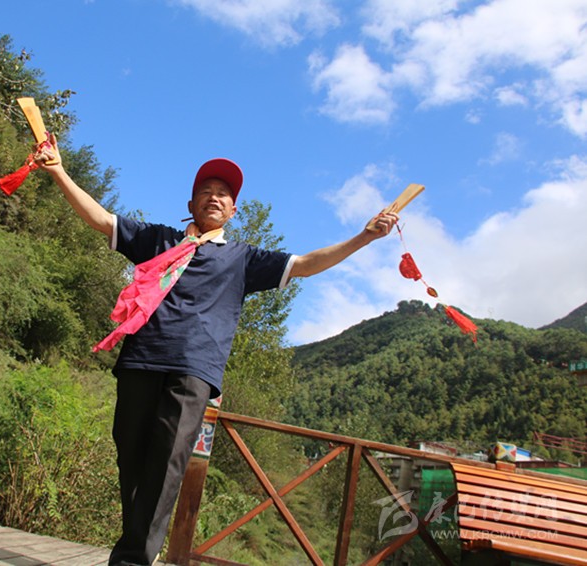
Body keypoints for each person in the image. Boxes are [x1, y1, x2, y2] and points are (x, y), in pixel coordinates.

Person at [32, 135, 397, 565]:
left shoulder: (243, 258)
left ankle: (131, 560)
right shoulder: (158, 239)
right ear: (191, 204)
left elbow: (304, 264)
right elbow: (101, 219)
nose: (214, 197)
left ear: (233, 210)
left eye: (224, 193)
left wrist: (364, 237)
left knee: (167, 464)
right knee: (130, 456)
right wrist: (58, 171)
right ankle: (137, 547)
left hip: (193, 370)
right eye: (206, 190)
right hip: (140, 360)